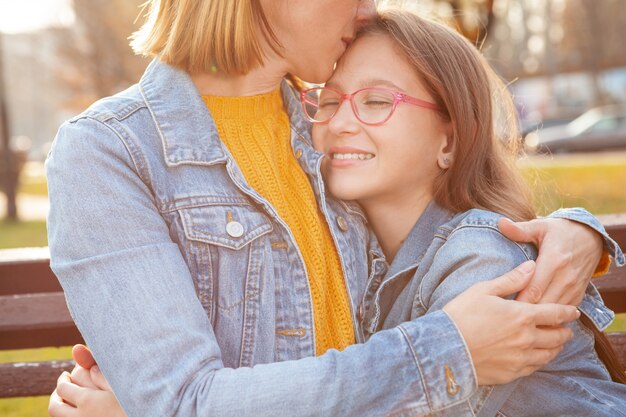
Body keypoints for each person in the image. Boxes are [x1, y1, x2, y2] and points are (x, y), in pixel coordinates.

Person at [45, 1, 617, 416]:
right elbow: (181, 401)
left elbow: (455, 205)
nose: (368, 10)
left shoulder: (319, 135)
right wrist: (451, 348)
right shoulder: (112, 151)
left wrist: (579, 231)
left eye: (371, 102)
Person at [305, 8, 626, 415]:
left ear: (449, 143)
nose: (339, 122)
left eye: (377, 101)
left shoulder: (483, 253)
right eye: (329, 100)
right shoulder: (356, 261)